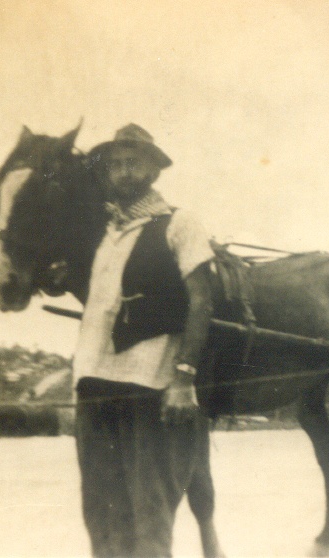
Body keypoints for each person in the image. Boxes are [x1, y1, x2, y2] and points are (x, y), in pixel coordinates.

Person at [73, 123, 216, 557]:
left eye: (133, 163)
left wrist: (184, 377)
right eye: (115, 164)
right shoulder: (106, 232)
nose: (122, 173)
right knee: (100, 510)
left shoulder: (179, 223)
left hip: (150, 385)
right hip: (94, 382)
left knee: (149, 510)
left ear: (154, 171)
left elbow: (201, 302)